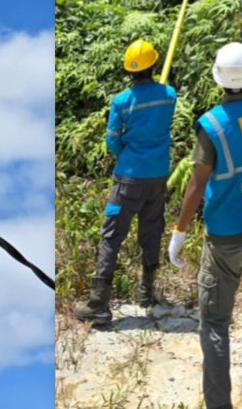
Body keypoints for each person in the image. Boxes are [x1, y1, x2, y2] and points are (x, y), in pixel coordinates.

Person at [168, 4, 242, 409]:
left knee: (215, 324)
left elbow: (197, 185)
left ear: (218, 79)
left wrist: (179, 233)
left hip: (225, 243)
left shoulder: (211, 124)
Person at [73, 38, 176, 325]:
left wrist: (125, 156)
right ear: (154, 65)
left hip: (129, 176)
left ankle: (99, 303)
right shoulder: (169, 95)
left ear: (129, 71)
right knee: (152, 231)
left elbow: (112, 139)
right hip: (158, 175)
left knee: (112, 236)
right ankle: (147, 292)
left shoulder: (122, 102)